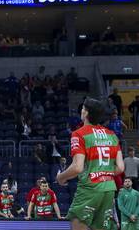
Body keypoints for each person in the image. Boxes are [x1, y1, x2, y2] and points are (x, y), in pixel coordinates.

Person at [57, 97, 125, 230]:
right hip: (108, 189)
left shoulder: (79, 134)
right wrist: (104, 173)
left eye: (83, 108)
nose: (81, 111)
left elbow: (77, 167)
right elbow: (121, 167)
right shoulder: (112, 135)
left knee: (77, 225)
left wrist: (61, 177)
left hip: (90, 188)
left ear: (86, 113)